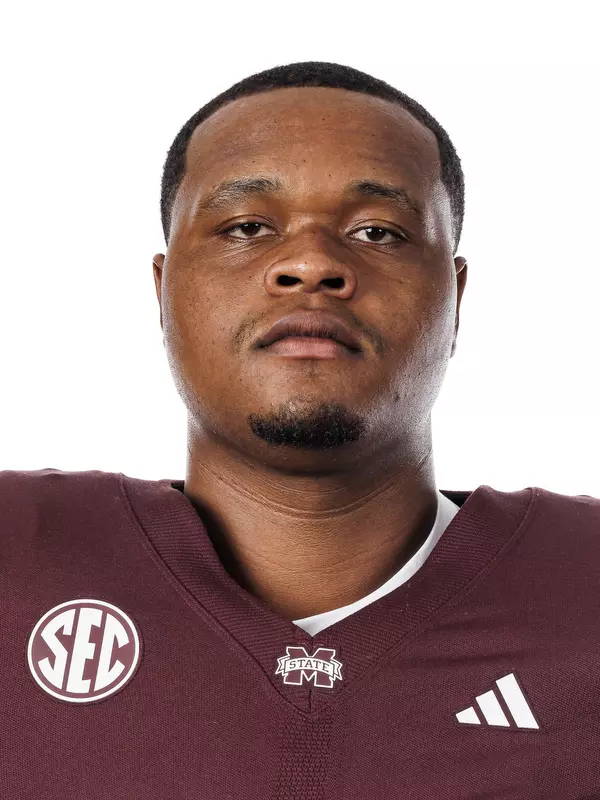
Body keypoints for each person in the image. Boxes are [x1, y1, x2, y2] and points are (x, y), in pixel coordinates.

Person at [2, 61, 599, 799]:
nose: (312, 263)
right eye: (248, 228)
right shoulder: (16, 555)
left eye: (378, 231)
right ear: (163, 292)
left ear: (456, 295)